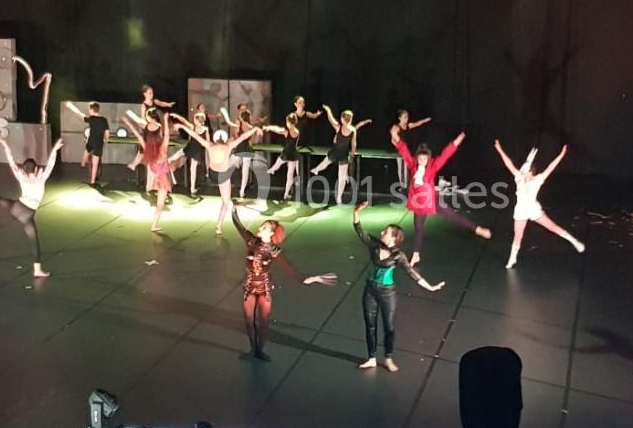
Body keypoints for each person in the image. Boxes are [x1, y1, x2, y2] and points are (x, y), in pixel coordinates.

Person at [231, 207, 335, 361]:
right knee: (248, 320)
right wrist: (233, 211)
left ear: (271, 234)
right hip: (249, 286)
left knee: (264, 323)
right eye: (262, 226)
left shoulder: (274, 251)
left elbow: (292, 270)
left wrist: (310, 279)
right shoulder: (251, 241)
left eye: (264, 227)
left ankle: (260, 351)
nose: (260, 228)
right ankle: (253, 349)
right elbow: (238, 225)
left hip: (264, 288)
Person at [353, 202, 444, 372]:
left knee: (389, 326)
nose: (382, 233)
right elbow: (359, 229)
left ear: (394, 238)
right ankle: (372, 358)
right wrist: (356, 211)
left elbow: (411, 273)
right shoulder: (374, 245)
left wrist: (430, 287)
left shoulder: (398, 256)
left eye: (385, 232)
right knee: (370, 325)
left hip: (387, 294)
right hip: (370, 290)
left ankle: (388, 358)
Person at [0, 138, 63, 278]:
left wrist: (5, 145)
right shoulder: (41, 178)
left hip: (17, 207)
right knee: (34, 241)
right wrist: (55, 149)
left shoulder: (21, 176)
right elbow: (51, 164)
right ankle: (37, 269)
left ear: (25, 169)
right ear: (36, 168)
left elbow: (11, 162)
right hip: (28, 213)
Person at [393, 129, 490, 265]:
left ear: (428, 158)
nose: (421, 161)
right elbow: (404, 151)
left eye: (424, 159)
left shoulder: (433, 166)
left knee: (454, 216)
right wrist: (395, 137)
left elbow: (446, 154)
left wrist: (457, 141)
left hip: (433, 200)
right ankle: (416, 255)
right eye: (420, 158)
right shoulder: (413, 165)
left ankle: (477, 229)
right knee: (419, 227)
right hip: (419, 203)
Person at [493, 140, 585, 269]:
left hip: (533, 209)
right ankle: (512, 259)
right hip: (521, 210)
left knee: (552, 227)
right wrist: (500, 149)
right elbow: (509, 164)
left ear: (531, 173)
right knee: (518, 235)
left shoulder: (538, 179)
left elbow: (550, 167)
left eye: (525, 170)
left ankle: (574, 241)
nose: (522, 171)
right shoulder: (518, 177)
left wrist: (561, 155)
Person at [174, 117, 264, 234]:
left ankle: (221, 222)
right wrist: (255, 129)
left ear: (216, 139)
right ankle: (218, 226)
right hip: (222, 175)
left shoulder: (210, 145)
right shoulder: (228, 146)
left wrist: (182, 126)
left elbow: (194, 135)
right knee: (225, 202)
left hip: (212, 174)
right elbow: (243, 137)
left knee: (227, 199)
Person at [310, 105, 371, 205]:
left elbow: (331, 119)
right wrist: (353, 152)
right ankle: (317, 170)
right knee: (334, 171)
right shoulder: (349, 129)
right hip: (339, 152)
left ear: (343, 119)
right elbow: (353, 143)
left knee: (337, 173)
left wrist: (328, 110)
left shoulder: (345, 128)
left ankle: (339, 197)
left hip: (340, 153)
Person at [129, 109, 173, 232]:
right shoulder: (163, 148)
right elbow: (167, 135)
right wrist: (165, 120)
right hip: (162, 179)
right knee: (160, 204)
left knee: (159, 202)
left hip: (156, 175)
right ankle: (153, 225)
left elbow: (139, 137)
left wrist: (130, 125)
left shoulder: (151, 153)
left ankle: (154, 225)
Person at [66, 101, 110, 186]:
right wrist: (106, 140)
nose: (88, 110)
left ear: (92, 110)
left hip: (91, 142)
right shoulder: (104, 120)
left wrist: (71, 106)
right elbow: (107, 132)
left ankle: (83, 164)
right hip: (99, 144)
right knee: (95, 164)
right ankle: (92, 181)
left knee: (84, 160)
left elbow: (79, 113)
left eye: (89, 109)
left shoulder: (91, 118)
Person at [265, 114, 303, 201]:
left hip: (286, 153)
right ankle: (286, 194)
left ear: (289, 123)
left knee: (277, 165)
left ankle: (271, 170)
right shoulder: (297, 132)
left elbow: (277, 130)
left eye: (287, 122)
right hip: (293, 154)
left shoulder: (287, 131)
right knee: (289, 175)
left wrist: (269, 127)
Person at [389, 110, 431, 188]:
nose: (406, 119)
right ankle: (403, 186)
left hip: (407, 151)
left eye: (407, 117)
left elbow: (417, 123)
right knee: (400, 169)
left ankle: (407, 186)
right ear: (400, 118)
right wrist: (399, 147)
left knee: (406, 168)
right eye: (404, 117)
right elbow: (392, 140)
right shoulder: (396, 127)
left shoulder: (409, 126)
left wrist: (425, 120)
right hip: (400, 150)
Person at [182, 108, 212, 197]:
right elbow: (208, 141)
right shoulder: (195, 127)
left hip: (195, 150)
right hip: (192, 148)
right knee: (192, 168)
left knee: (192, 169)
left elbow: (208, 141)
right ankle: (192, 188)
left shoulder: (203, 129)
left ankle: (192, 188)